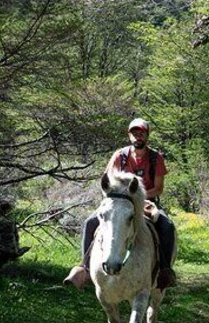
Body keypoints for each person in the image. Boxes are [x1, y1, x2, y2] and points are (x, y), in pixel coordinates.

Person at [64, 118, 177, 291]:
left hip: (146, 201)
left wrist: (138, 197)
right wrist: (117, 197)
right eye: (134, 133)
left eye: (142, 133)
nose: (138, 136)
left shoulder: (156, 158)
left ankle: (165, 271)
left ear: (147, 135)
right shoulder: (119, 156)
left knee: (167, 225)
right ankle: (84, 268)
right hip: (117, 201)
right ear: (129, 135)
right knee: (90, 222)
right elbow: (107, 181)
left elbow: (158, 188)